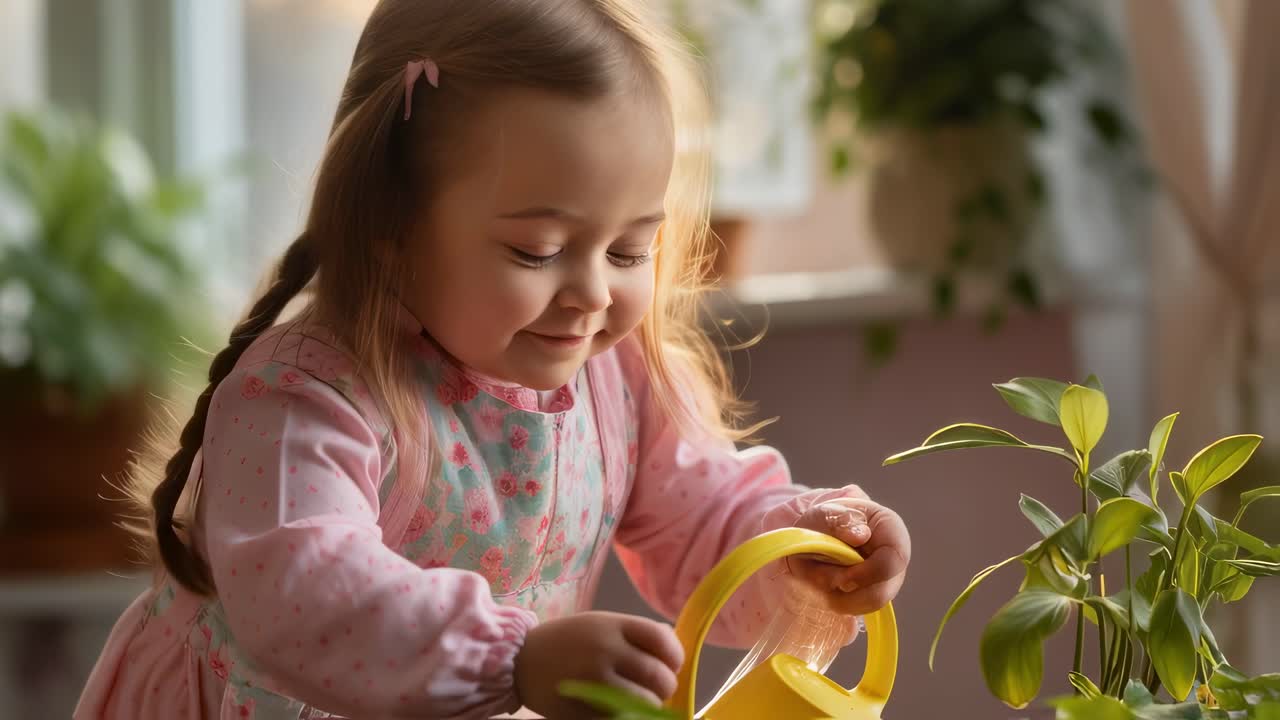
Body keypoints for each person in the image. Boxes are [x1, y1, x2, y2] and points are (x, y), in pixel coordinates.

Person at [75, 1, 911, 717]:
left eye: (628, 251)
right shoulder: (305, 392)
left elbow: (703, 519)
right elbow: (307, 591)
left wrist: (798, 546)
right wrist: (513, 655)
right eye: (538, 250)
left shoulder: (615, 376)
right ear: (392, 228)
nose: (590, 294)